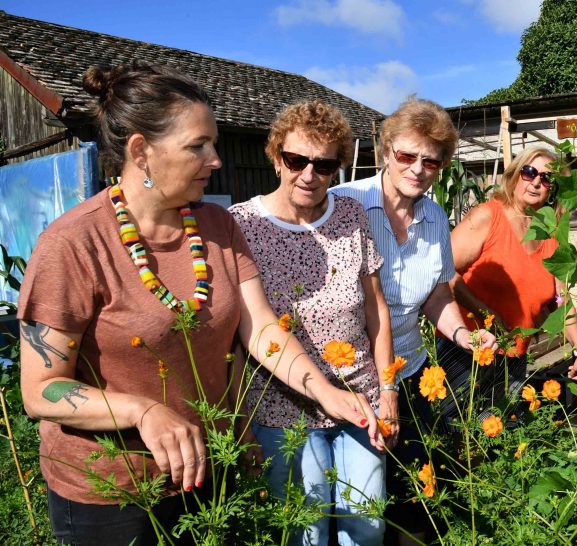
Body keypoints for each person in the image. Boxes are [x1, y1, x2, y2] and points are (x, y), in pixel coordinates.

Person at [17, 62, 376, 546]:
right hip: (114, 495)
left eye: (214, 144)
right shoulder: (73, 244)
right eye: (197, 146)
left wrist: (323, 391)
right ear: (141, 151)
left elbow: (263, 330)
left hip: (209, 471)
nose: (215, 160)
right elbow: (41, 391)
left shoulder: (217, 227)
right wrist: (141, 411)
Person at [330, 98, 495, 546]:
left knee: (416, 491)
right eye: (407, 155)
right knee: (353, 503)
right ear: (386, 152)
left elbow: (438, 294)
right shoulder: (342, 206)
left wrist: (463, 333)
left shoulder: (435, 216)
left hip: (411, 372)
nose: (418, 168)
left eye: (431, 161)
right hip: (349, 378)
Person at [229, 99, 394, 546]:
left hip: (359, 403)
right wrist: (241, 422)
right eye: (296, 160)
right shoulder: (240, 225)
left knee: (368, 527)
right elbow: (236, 334)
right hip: (281, 412)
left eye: (322, 165)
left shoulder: (350, 216)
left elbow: (376, 308)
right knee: (306, 533)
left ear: (337, 168)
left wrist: (388, 390)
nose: (308, 174)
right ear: (275, 156)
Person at [442, 146, 577, 419]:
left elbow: (561, 299)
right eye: (529, 172)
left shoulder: (548, 232)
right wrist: (486, 313)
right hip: (468, 350)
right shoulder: (489, 217)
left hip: (514, 355)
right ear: (515, 175)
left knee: (501, 437)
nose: (536, 181)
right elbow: (443, 272)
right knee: (460, 433)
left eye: (546, 178)